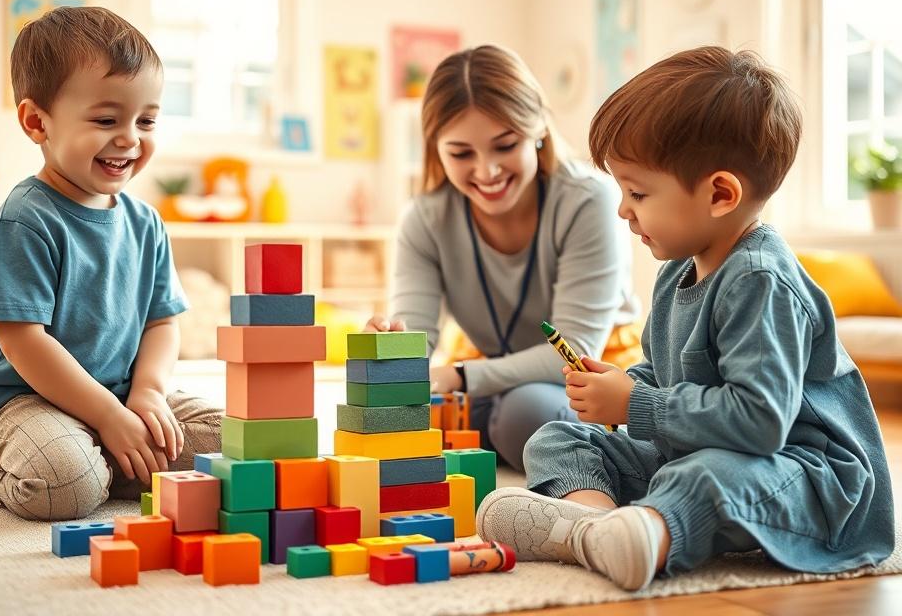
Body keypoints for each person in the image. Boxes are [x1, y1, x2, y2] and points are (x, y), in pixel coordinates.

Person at [476, 46, 894, 590]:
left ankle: (636, 532)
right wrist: (626, 385)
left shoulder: (760, 281)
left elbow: (759, 424)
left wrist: (636, 404)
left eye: (638, 193)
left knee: (705, 478)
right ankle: (598, 528)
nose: (624, 210)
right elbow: (665, 371)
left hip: (809, 479)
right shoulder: (678, 269)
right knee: (558, 437)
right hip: (702, 448)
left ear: (720, 193)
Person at [0, 6, 223, 521]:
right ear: (37, 122)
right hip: (24, 402)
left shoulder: (146, 223)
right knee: (68, 486)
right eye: (106, 120)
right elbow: (22, 340)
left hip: (120, 394)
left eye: (146, 120)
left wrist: (146, 393)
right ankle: (13, 476)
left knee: (239, 442)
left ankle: (112, 457)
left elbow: (162, 322)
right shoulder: (25, 221)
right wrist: (107, 415)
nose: (130, 138)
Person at [367, 45, 638, 470]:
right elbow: (415, 341)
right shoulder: (423, 219)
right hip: (493, 379)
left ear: (538, 131)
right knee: (402, 420)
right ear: (435, 149)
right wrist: (389, 350)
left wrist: (459, 376)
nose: (487, 171)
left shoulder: (588, 200)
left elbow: (575, 349)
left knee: (523, 413)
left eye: (505, 145)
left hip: (589, 381)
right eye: (461, 153)